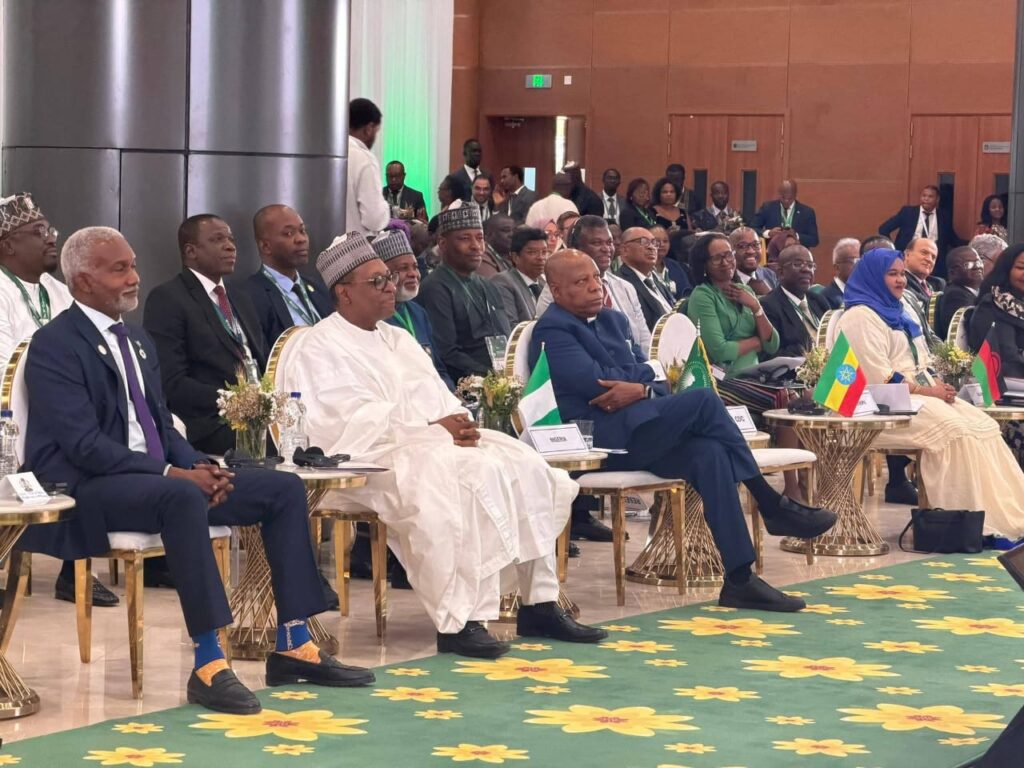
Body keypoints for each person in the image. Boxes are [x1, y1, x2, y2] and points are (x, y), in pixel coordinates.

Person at [18, 226, 374, 714]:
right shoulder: (55, 344)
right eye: (119, 269)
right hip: (88, 488)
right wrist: (172, 475)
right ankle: (209, 663)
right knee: (183, 496)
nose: (134, 277)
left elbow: (162, 427)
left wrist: (201, 466)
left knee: (282, 489)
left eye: (133, 265)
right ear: (82, 281)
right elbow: (84, 446)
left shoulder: (136, 339)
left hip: (153, 480)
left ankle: (294, 644)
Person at [284, 232, 608, 656]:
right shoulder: (319, 344)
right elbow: (339, 421)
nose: (390, 287)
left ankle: (540, 604)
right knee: (470, 474)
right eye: (378, 281)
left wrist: (459, 423)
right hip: (371, 457)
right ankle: (460, 622)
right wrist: (434, 427)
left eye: (388, 278)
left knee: (525, 463)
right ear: (344, 293)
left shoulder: (397, 338)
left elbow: (438, 397)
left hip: (429, 443)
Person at [532, 249, 837, 611]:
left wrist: (641, 387)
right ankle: (769, 502)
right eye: (582, 282)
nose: (595, 286)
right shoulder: (553, 329)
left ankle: (740, 579)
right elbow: (595, 385)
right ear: (556, 289)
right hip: (598, 441)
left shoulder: (612, 321)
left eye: (597, 277)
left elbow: (657, 375)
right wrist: (643, 381)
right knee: (704, 400)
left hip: (641, 427)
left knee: (710, 454)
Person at [836, 248, 1024, 538]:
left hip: (917, 397)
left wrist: (940, 386)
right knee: (956, 431)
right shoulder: (859, 317)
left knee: (983, 424)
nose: (900, 280)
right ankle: (959, 524)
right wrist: (929, 391)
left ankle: (1008, 513)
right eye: (892, 274)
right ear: (872, 276)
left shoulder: (900, 311)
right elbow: (879, 378)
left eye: (902, 274)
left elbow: (921, 361)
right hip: (877, 405)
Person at [0, 193, 118, 608]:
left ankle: (76, 570)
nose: (52, 238)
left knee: (92, 443)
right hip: (10, 407)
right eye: (38, 232)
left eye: (50, 230)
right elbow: (5, 360)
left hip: (60, 404)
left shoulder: (59, 290)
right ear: (8, 244)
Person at [685, 233, 803, 499]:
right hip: (721, 381)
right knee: (785, 397)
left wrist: (756, 307)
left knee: (801, 394)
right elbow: (719, 350)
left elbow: (773, 344)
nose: (727, 262)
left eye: (728, 255)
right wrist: (757, 342)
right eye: (718, 258)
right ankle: (792, 489)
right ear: (704, 264)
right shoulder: (702, 296)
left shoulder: (746, 292)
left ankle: (796, 483)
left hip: (755, 377)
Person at [144, 215, 267, 456]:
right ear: (191, 251)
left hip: (256, 416)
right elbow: (171, 382)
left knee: (308, 430)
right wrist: (233, 401)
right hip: (209, 423)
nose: (230, 246)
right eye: (218, 239)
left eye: (231, 239)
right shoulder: (168, 298)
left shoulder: (240, 298)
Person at [416, 203, 510, 383]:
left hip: (502, 380)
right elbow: (447, 353)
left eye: (480, 238)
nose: (476, 246)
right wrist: (492, 378)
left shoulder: (488, 285)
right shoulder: (435, 288)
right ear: (443, 244)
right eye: (465, 238)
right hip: (465, 385)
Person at [536, 216, 652, 352]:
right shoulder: (557, 292)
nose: (606, 249)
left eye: (609, 242)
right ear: (575, 249)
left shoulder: (626, 287)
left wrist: (651, 364)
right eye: (596, 243)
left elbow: (644, 340)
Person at [242, 205, 334, 351]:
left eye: (302, 231)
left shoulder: (319, 288)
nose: (301, 239)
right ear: (265, 246)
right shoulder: (250, 296)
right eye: (289, 233)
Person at [371, 229, 453, 390]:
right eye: (403, 268)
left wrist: (451, 394)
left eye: (415, 267)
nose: (413, 274)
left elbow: (439, 369)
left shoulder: (418, 312)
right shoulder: (374, 318)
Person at [969, 243, 1024, 465]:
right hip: (1004, 393)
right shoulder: (992, 305)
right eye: (1021, 267)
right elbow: (1005, 356)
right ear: (1007, 269)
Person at [760, 245, 830, 357]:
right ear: (781, 272)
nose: (806, 269)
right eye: (798, 264)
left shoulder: (818, 300)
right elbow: (771, 354)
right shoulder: (768, 306)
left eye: (810, 265)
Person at [878, 185, 962, 274]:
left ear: (937, 199)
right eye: (924, 196)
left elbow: (952, 239)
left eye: (930, 196)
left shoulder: (943, 216)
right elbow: (883, 229)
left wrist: (970, 244)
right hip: (908, 260)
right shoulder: (908, 212)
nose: (926, 199)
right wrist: (893, 250)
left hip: (933, 263)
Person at [616, 227, 674, 331]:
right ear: (624, 250)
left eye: (654, 243)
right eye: (644, 242)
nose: (651, 247)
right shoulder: (620, 283)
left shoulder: (655, 280)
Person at [346, 98, 390, 235]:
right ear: (369, 129)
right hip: (351, 245)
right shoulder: (363, 159)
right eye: (376, 131)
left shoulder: (327, 153)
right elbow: (374, 219)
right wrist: (385, 208)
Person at [490, 226, 547, 327]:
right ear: (515, 257)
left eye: (544, 252)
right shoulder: (503, 282)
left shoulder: (544, 282)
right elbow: (510, 326)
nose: (540, 258)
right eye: (532, 252)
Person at [751, 180, 819, 249]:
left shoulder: (807, 212)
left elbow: (814, 240)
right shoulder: (768, 208)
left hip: (796, 253)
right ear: (779, 194)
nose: (786, 201)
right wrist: (768, 233)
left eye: (790, 198)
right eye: (783, 197)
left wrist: (796, 235)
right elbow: (752, 229)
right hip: (773, 252)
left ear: (795, 195)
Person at [935, 245, 983, 339]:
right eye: (968, 264)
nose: (977, 267)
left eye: (979, 262)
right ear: (953, 273)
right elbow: (974, 332)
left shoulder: (978, 291)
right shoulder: (955, 296)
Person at [730, 227, 778, 296]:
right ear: (731, 250)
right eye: (743, 246)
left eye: (756, 245)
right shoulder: (726, 282)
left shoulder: (769, 275)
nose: (751, 251)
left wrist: (769, 296)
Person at [651, 224, 691, 301]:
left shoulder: (677, 266)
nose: (662, 244)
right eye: (657, 241)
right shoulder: (642, 269)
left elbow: (688, 292)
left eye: (665, 241)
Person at [819, 237, 860, 309]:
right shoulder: (824, 298)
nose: (859, 265)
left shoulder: (866, 294)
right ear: (837, 267)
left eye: (861, 260)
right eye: (854, 261)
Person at [902, 236, 945, 301]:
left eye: (933, 257)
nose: (929, 259)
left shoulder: (937, 284)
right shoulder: (900, 282)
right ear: (907, 255)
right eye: (924, 253)